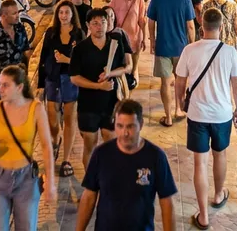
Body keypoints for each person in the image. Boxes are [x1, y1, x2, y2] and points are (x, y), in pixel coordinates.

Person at [175, 7, 237, 231]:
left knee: (199, 162)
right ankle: (218, 194)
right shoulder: (230, 52)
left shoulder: (189, 50)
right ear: (221, 27)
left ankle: (203, 215)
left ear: (201, 25)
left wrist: (180, 103)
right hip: (222, 113)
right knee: (220, 154)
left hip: (197, 113)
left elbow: (180, 81)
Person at [76, 99, 177, 231]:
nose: (125, 133)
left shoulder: (156, 157)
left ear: (141, 125)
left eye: (130, 126)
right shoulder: (101, 154)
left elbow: (166, 202)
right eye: (120, 126)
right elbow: (89, 196)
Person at [0, 65, 56, 230]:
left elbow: (46, 146)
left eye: (6, 85)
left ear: (20, 87)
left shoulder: (36, 109)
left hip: (26, 179)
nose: (0, 89)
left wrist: (50, 182)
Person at [69, 8, 133, 169]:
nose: (99, 26)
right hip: (87, 105)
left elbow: (126, 67)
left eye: (103, 22)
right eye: (95, 23)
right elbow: (74, 78)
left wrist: (110, 72)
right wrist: (98, 86)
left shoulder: (115, 45)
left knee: (111, 145)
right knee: (89, 146)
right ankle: (91, 183)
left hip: (111, 104)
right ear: (88, 25)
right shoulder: (80, 49)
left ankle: (109, 180)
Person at [37, 0, 83, 177]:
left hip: (71, 80)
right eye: (61, 12)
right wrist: (41, 84)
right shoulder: (50, 33)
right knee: (53, 121)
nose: (64, 16)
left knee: (70, 120)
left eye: (67, 12)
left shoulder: (78, 34)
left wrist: (67, 60)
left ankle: (66, 159)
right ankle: (55, 141)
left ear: (72, 14)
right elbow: (43, 58)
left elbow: (82, 60)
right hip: (53, 79)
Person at [147, 0, 196, 127]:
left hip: (163, 46)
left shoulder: (157, 0)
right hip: (181, 47)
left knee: (165, 83)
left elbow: (151, 22)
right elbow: (190, 26)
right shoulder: (186, 0)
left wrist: (152, 41)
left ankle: (167, 117)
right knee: (180, 80)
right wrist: (192, 44)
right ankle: (178, 110)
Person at [109, 0, 146, 80]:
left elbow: (142, 19)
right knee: (122, 62)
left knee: (133, 64)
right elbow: (110, 15)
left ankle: (133, 78)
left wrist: (144, 36)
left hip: (134, 36)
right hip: (120, 36)